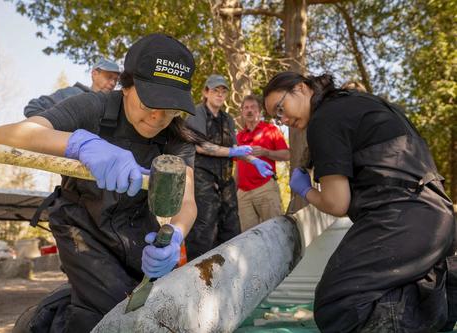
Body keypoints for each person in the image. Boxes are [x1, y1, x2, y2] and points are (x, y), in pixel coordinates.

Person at [0, 33, 200, 332]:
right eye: (151, 101)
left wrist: (175, 236)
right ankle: (39, 323)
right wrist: (79, 143)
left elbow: (186, 202)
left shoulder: (178, 138)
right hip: (81, 223)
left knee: (147, 306)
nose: (158, 116)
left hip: (137, 228)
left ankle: (63, 306)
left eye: (170, 107)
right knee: (111, 312)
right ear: (127, 86)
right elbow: (2, 136)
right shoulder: (92, 107)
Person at [263, 71, 455, 333]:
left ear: (300, 88)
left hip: (401, 215)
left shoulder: (324, 119)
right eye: (277, 116)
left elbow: (337, 203)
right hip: (436, 215)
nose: (283, 119)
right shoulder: (356, 103)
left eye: (280, 108)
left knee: (338, 307)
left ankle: (443, 301)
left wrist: (305, 190)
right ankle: (447, 287)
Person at [184, 75, 273, 260]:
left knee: (231, 227)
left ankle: (230, 268)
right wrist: (232, 152)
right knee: (205, 229)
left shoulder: (227, 119)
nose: (220, 94)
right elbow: (201, 146)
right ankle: (199, 275)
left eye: (223, 90)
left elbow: (233, 149)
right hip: (203, 179)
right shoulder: (197, 113)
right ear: (206, 92)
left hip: (225, 180)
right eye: (215, 90)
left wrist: (253, 160)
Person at [235, 94, 290, 231]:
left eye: (253, 107)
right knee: (247, 237)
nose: (249, 110)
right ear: (242, 112)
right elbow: (238, 167)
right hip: (243, 194)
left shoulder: (270, 130)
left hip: (265, 188)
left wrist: (266, 152)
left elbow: (287, 154)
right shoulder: (239, 136)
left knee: (274, 231)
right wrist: (235, 190)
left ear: (259, 111)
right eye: (246, 108)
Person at [23, 57, 120, 117]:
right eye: (109, 77)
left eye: (116, 80)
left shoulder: (114, 108)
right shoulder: (72, 93)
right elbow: (33, 107)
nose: (113, 83)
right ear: (94, 74)